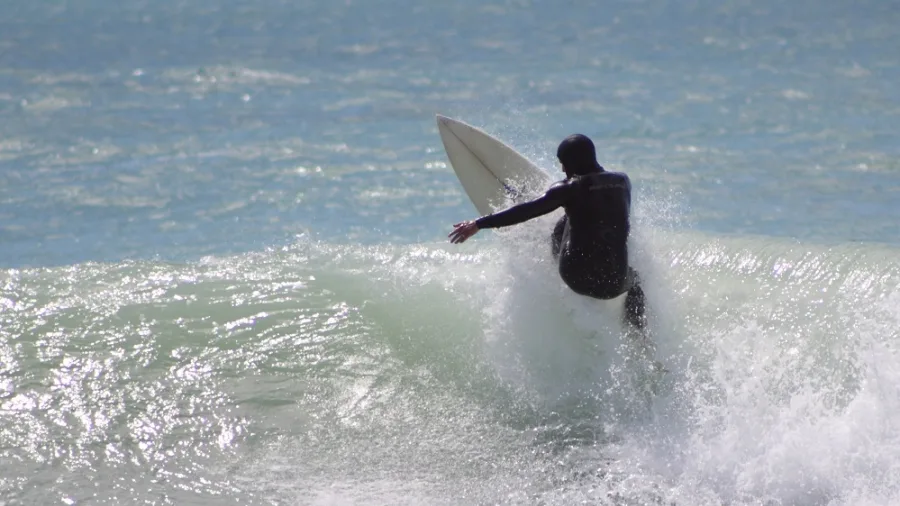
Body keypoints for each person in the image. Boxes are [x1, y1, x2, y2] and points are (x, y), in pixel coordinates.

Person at [448, 134, 647, 330]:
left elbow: (526, 211)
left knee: (568, 218)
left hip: (575, 277)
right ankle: (637, 334)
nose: (562, 169)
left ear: (572, 162)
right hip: (614, 283)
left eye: (563, 163)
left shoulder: (568, 189)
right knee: (636, 279)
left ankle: (553, 265)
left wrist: (479, 224)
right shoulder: (623, 182)